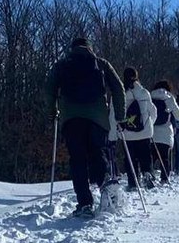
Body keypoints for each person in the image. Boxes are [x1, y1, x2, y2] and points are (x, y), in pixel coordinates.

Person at [45, 34, 124, 216]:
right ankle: (107, 190)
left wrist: (53, 112)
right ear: (90, 48)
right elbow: (118, 88)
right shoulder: (101, 64)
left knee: (77, 159)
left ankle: (84, 204)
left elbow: (49, 90)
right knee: (98, 153)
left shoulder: (62, 65)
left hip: (71, 118)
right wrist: (120, 116)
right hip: (98, 118)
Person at [119, 67, 156, 190]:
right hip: (144, 132)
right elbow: (153, 111)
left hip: (127, 133)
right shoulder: (144, 92)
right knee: (145, 156)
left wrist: (113, 134)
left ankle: (133, 182)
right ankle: (147, 173)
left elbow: (114, 114)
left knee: (130, 159)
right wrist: (149, 124)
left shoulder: (121, 93)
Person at [150, 79, 179, 182]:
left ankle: (149, 176)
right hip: (165, 134)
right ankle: (164, 178)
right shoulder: (169, 98)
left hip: (152, 133)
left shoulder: (149, 97)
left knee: (151, 157)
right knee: (164, 158)